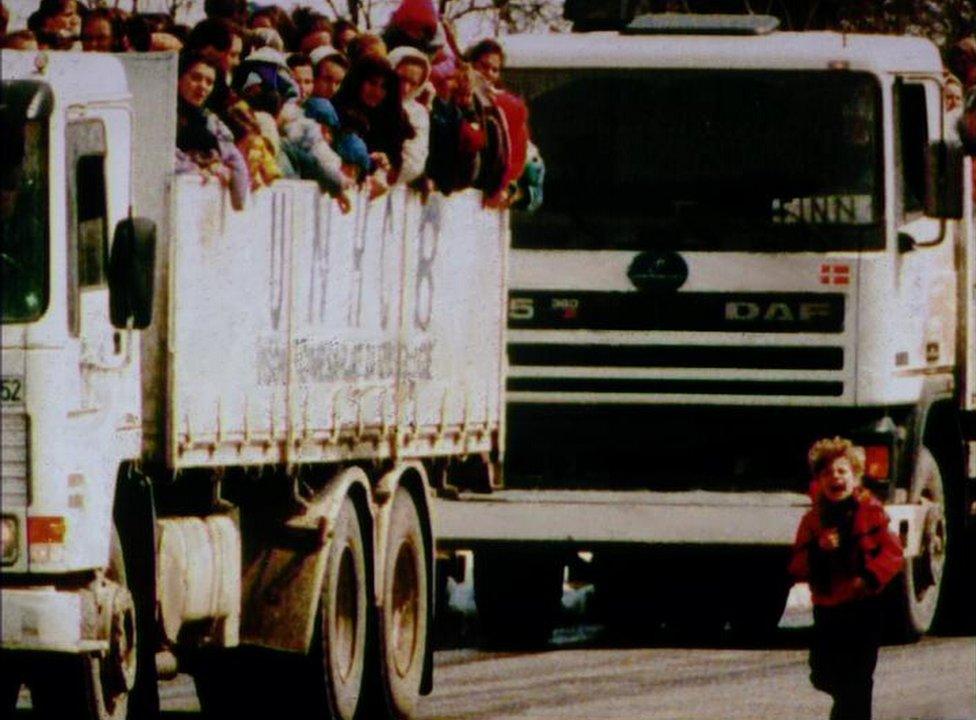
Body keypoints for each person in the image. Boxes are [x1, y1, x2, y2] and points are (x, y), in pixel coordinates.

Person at [789, 437, 904, 720]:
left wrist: (868, 578)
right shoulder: (813, 521)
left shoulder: (870, 512)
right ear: (819, 479)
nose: (835, 478)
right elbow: (798, 565)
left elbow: (893, 553)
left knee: (859, 679)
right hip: (829, 608)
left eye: (842, 472)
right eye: (828, 473)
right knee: (824, 674)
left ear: (855, 477)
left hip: (864, 609)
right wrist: (819, 550)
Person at [175, 51, 249, 210]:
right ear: (179, 79)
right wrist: (197, 169)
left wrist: (238, 200)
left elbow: (234, 159)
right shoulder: (165, 115)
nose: (203, 86)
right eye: (196, 78)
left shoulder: (211, 121)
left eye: (209, 82)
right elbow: (164, 157)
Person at [388, 46, 431, 184]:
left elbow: (416, 157)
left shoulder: (418, 113)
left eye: (413, 83)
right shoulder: (372, 99)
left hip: (397, 185)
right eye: (401, 79)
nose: (405, 88)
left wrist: (392, 175)